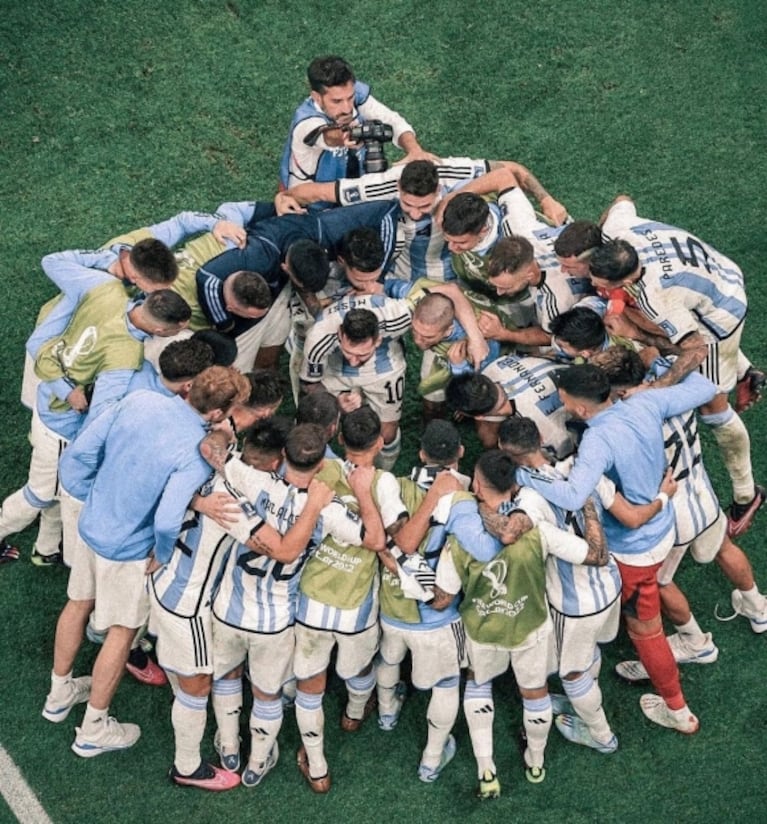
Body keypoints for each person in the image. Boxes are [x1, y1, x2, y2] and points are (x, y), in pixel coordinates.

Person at [41, 366, 248, 760]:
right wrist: (162, 552)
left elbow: (83, 453)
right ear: (219, 414)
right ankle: (93, 730)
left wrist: (94, 497)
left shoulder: (139, 400)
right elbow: (169, 518)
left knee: (78, 603)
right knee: (121, 632)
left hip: (91, 523)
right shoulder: (196, 453)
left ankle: (59, 692)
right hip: (129, 550)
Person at [521, 363, 718, 733]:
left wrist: (523, 474)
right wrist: (653, 388)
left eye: (564, 401)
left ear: (581, 409)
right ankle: (693, 642)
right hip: (662, 529)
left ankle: (678, 712)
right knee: (654, 597)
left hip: (632, 550)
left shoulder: (598, 441)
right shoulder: (644, 404)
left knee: (644, 629)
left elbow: (573, 494)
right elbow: (706, 384)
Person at [432, 449, 610, 795]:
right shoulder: (538, 531)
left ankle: (486, 770)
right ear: (515, 488)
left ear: (478, 485)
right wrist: (588, 507)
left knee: (478, 684)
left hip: (482, 631)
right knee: (535, 693)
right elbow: (596, 556)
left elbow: (442, 599)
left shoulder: (460, 540)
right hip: (531, 628)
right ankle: (536, 762)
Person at [587, 347, 767, 684]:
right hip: (701, 489)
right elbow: (696, 374)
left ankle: (694, 642)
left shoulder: (629, 416)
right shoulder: (671, 388)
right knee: (723, 547)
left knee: (658, 581)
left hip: (673, 508)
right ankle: (758, 608)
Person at [593, 196, 765, 535]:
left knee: (713, 405)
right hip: (720, 270)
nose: (596, 286)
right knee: (642, 323)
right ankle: (745, 369)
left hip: (720, 316)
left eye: (603, 284)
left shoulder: (657, 298)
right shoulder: (619, 231)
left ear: (625, 279)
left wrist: (655, 387)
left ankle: (747, 495)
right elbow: (622, 200)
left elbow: (694, 349)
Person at [0, 288, 191, 567]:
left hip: (50, 401)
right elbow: (99, 416)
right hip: (62, 426)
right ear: (160, 328)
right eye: (177, 328)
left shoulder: (110, 297)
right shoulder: (125, 355)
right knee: (39, 493)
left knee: (54, 489)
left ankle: (46, 548)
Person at [376, 420, 470, 783]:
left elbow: (384, 541)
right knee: (446, 683)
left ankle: (386, 712)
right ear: (460, 453)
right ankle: (431, 758)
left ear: (420, 453)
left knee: (389, 657)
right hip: (438, 616)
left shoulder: (394, 485)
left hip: (393, 605)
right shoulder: (466, 498)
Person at [280, 55, 429, 201]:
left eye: (350, 98)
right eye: (336, 101)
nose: (347, 108)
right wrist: (348, 135)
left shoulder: (351, 92)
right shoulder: (305, 122)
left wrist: (414, 149)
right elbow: (329, 136)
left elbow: (392, 120)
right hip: (311, 202)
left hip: (350, 192)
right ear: (317, 97)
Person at [445, 354, 576, 456]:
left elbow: (563, 454)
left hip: (578, 410)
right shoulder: (493, 367)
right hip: (566, 369)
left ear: (479, 417)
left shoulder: (543, 428)